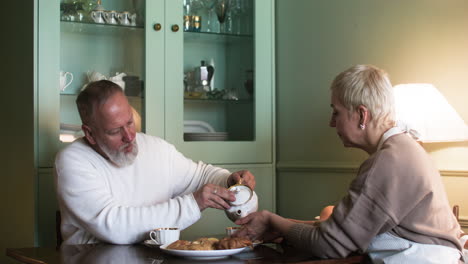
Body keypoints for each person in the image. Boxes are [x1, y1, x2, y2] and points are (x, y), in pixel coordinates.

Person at [234, 65, 465, 263]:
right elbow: (342, 230)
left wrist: (272, 220)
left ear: (362, 115)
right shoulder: (403, 149)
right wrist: (283, 226)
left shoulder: (387, 162)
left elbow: (329, 244)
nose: (331, 123)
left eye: (336, 113)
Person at [55, 80, 255, 245]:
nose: (129, 136)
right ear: (89, 134)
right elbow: (116, 227)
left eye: (130, 122)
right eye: (115, 131)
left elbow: (200, 175)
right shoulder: (73, 162)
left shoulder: (155, 147)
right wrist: (193, 203)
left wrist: (229, 181)